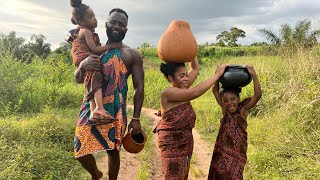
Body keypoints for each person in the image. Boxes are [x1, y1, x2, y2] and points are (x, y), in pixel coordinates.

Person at [73, 8, 144, 180]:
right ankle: (96, 174)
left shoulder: (132, 55)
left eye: (121, 24)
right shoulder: (91, 49)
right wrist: (83, 66)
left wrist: (136, 118)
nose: (117, 26)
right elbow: (78, 78)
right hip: (89, 107)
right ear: (106, 25)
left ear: (126, 30)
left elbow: (139, 88)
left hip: (116, 110)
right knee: (79, 149)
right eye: (113, 22)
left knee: (112, 151)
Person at [153, 57, 228, 180]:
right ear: (171, 78)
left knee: (182, 176)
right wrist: (217, 75)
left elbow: (194, 68)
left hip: (185, 143)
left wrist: (192, 53)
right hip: (172, 144)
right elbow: (195, 92)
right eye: (182, 76)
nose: (186, 79)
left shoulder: (183, 86)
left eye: (186, 75)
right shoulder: (168, 93)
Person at [68, 0, 122, 122]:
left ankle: (94, 112)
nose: (94, 19)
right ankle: (99, 107)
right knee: (96, 75)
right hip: (84, 58)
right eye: (90, 16)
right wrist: (111, 46)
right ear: (81, 21)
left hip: (82, 59)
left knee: (91, 80)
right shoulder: (86, 31)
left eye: (94, 15)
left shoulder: (80, 31)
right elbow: (95, 49)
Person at [208, 65, 262, 179]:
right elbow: (215, 90)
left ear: (238, 99)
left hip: (238, 154)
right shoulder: (225, 110)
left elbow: (257, 95)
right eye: (226, 100)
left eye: (233, 99)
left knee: (235, 176)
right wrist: (217, 74)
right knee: (220, 175)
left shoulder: (243, 110)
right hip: (222, 153)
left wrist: (253, 74)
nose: (229, 103)